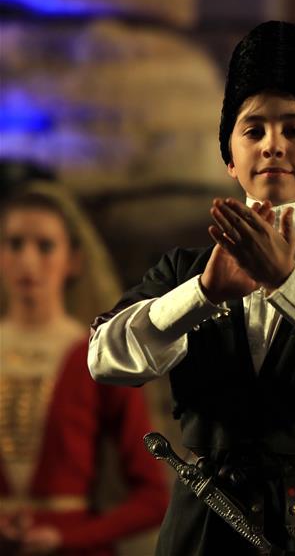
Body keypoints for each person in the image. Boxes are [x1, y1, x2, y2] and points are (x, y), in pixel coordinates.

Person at [88, 21, 295, 556]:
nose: (272, 145)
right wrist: (202, 294)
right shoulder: (187, 269)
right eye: (253, 130)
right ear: (229, 157)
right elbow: (105, 357)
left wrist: (288, 283)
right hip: (208, 515)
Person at [0, 181, 168, 556]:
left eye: (44, 246)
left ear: (73, 260)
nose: (28, 261)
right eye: (14, 244)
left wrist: (67, 537)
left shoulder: (99, 357)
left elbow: (153, 496)